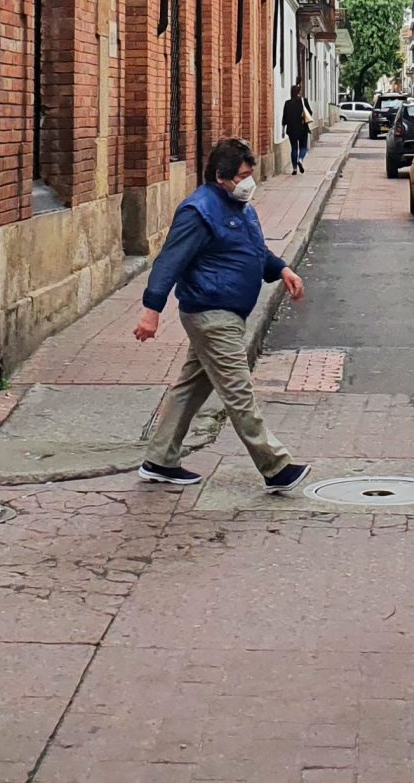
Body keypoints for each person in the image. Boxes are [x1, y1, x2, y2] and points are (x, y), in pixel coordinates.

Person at [133, 138, 310, 490]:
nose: (249, 182)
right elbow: (169, 260)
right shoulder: (198, 211)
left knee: (190, 388)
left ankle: (159, 459)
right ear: (220, 176)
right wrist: (151, 310)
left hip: (226, 311)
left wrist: (281, 269)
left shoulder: (240, 207)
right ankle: (275, 466)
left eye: (250, 174)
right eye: (242, 175)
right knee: (237, 390)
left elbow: (253, 251)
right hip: (211, 313)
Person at [281, 82, 311, 174]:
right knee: (303, 147)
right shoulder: (303, 101)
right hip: (302, 128)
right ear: (299, 92)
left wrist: (283, 130)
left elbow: (284, 118)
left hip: (291, 130)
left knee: (294, 148)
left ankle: (294, 169)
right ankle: (300, 160)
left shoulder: (287, 103)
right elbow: (310, 113)